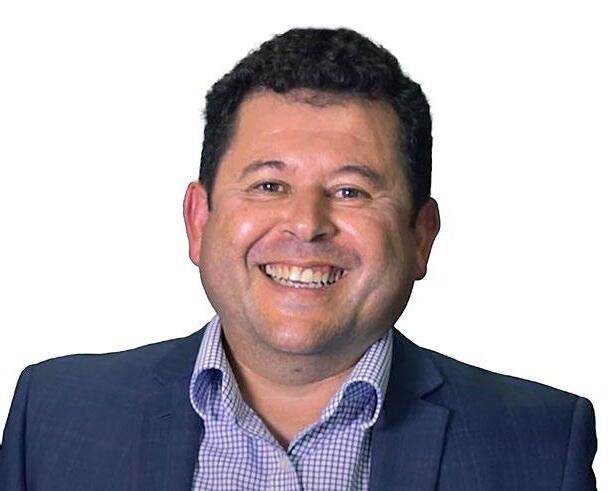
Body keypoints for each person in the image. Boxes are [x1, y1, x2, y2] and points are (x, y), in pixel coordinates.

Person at [0, 27, 597, 490]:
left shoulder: (540, 446)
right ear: (199, 221)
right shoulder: (54, 415)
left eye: (351, 191)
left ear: (421, 236)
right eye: (269, 185)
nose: (307, 224)